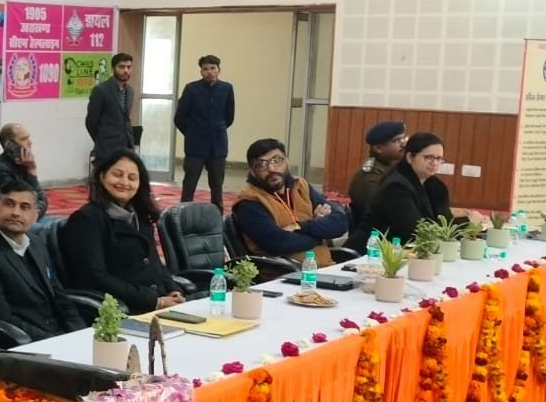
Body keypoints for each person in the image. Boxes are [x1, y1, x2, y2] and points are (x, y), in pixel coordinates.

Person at [60, 149, 186, 313]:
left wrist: (172, 290)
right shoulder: (86, 219)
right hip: (122, 309)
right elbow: (95, 277)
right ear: (102, 176)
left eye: (132, 178)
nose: (124, 182)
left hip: (157, 302)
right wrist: (155, 301)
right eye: (117, 174)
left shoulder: (140, 216)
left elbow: (155, 263)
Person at [0, 180, 83, 342]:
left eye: (24, 207)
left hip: (56, 335)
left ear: (35, 215)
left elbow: (59, 295)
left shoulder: (36, 243)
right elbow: (0, 317)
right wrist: (55, 341)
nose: (16, 213)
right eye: (9, 204)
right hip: (24, 342)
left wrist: (81, 334)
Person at [231, 138, 349, 267]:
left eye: (276, 160)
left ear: (287, 160)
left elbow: (340, 222)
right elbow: (277, 243)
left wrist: (300, 227)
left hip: (325, 266)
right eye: (261, 165)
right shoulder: (249, 201)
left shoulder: (301, 186)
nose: (271, 168)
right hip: (285, 273)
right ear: (252, 171)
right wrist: (320, 234)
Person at [361, 132, 455, 247]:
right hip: (373, 251)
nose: (434, 163)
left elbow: (446, 223)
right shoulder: (396, 187)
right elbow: (413, 232)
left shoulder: (436, 186)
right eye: (429, 157)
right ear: (410, 157)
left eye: (439, 158)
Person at [174, 54, 235, 211]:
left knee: (217, 186)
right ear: (201, 72)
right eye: (205, 69)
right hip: (195, 146)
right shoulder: (191, 89)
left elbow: (229, 117)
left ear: (219, 70)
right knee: (189, 185)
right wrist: (191, 133)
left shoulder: (227, 89)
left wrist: (217, 129)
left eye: (213, 68)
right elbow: (179, 118)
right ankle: (183, 214)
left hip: (218, 146)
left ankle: (217, 216)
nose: (209, 72)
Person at [346, 120, 407, 232]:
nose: (403, 144)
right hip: (374, 237)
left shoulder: (394, 167)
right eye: (397, 140)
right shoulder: (370, 176)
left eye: (403, 138)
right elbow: (377, 212)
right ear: (379, 148)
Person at [0, 122, 47, 220]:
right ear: (9, 145)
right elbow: (25, 207)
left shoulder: (23, 164)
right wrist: (32, 173)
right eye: (24, 139)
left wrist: (31, 171)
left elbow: (38, 201)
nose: (30, 143)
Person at [84, 52, 135, 162]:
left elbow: (125, 119)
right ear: (113, 68)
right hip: (106, 150)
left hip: (126, 148)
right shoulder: (101, 90)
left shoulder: (130, 91)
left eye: (129, 67)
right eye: (122, 67)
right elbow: (91, 122)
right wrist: (101, 141)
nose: (126, 70)